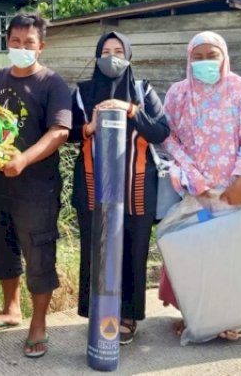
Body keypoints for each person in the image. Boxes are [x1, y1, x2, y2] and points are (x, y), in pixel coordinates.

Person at [161, 31, 241, 340]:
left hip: (236, 191)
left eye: (212, 56)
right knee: (196, 255)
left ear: (224, 57)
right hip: (196, 191)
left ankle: (231, 317)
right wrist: (193, 177)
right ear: (188, 60)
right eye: (198, 57)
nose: (205, 62)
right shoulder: (178, 93)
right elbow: (167, 136)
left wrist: (240, 181)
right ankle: (196, 314)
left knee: (234, 254)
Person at [0, 13, 72, 358]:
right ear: (7, 43)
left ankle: (39, 323)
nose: (20, 48)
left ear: (41, 46)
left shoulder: (52, 83)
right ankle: (11, 309)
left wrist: (23, 159)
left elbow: (59, 132)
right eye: (15, 42)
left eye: (28, 43)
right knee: (0, 249)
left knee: (39, 254)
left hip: (36, 189)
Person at [68, 32, 170, 344]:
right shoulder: (82, 93)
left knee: (132, 250)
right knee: (95, 250)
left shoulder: (143, 89)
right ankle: (97, 311)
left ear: (129, 56)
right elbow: (67, 132)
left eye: (118, 51)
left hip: (136, 187)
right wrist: (89, 126)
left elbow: (161, 130)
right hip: (93, 183)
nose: (112, 57)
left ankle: (127, 316)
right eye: (105, 51)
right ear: (97, 57)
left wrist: (131, 110)